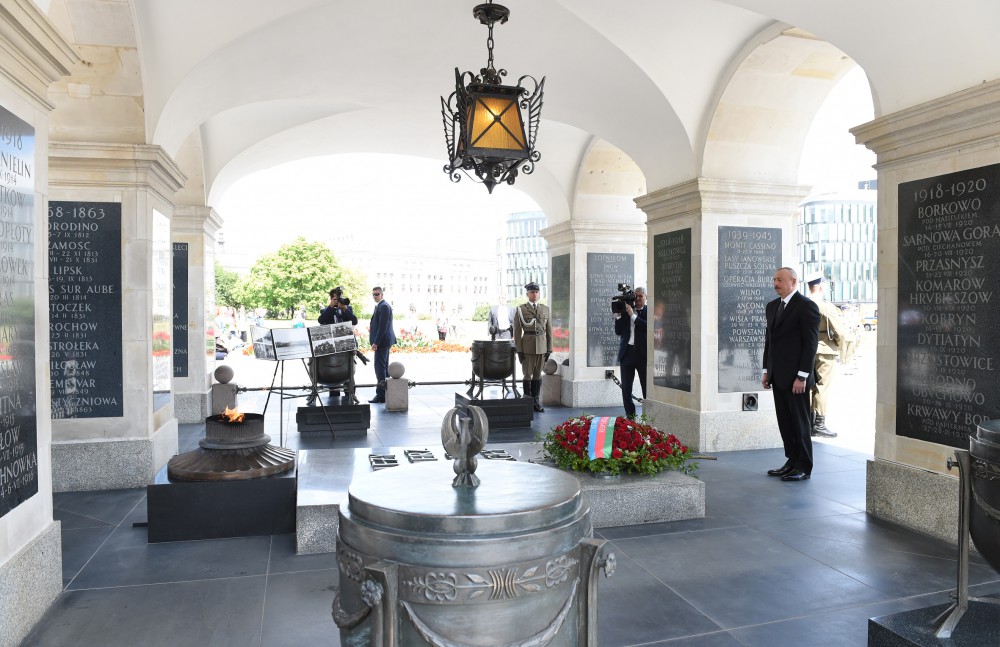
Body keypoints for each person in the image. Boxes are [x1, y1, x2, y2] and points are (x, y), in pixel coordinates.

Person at [762, 267, 820, 482]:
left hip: (797, 378)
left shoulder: (806, 306)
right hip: (778, 375)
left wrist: (802, 376)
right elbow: (770, 341)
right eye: (774, 279)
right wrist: (766, 371)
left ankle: (804, 466)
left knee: (799, 423)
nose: (775, 283)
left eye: (780, 280)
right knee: (785, 422)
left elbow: (810, 345)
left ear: (793, 282)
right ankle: (792, 461)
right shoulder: (772, 306)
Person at [806, 273, 847, 439]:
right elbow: (840, 332)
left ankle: (808, 423)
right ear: (821, 286)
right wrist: (840, 346)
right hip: (824, 350)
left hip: (807, 350)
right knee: (822, 387)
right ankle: (819, 425)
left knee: (809, 386)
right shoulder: (825, 306)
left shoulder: (803, 303)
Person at [513, 281, 552, 412]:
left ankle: (536, 401)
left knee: (537, 375)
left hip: (542, 346)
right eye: (532, 292)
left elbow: (549, 330)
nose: (534, 294)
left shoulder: (545, 309)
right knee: (527, 375)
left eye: (536, 292)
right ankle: (527, 401)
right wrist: (519, 350)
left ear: (539, 294)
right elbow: (517, 332)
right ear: (527, 294)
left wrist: (549, 348)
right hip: (527, 347)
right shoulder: (521, 309)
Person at [614, 287, 648, 418]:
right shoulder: (626, 311)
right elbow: (618, 332)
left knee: (646, 388)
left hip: (642, 355)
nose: (637, 298)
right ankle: (630, 416)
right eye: (636, 296)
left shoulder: (648, 311)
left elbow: (648, 326)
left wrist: (632, 315)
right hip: (627, 353)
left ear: (646, 297)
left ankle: (647, 417)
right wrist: (618, 316)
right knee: (626, 388)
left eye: (640, 296)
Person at [368, 286, 396, 404]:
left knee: (380, 368)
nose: (375, 296)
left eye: (377, 294)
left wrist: (376, 342)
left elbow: (382, 327)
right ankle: (386, 394)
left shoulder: (383, 306)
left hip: (382, 342)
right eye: (373, 294)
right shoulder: (381, 305)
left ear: (382, 295)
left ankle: (381, 395)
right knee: (384, 368)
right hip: (384, 342)